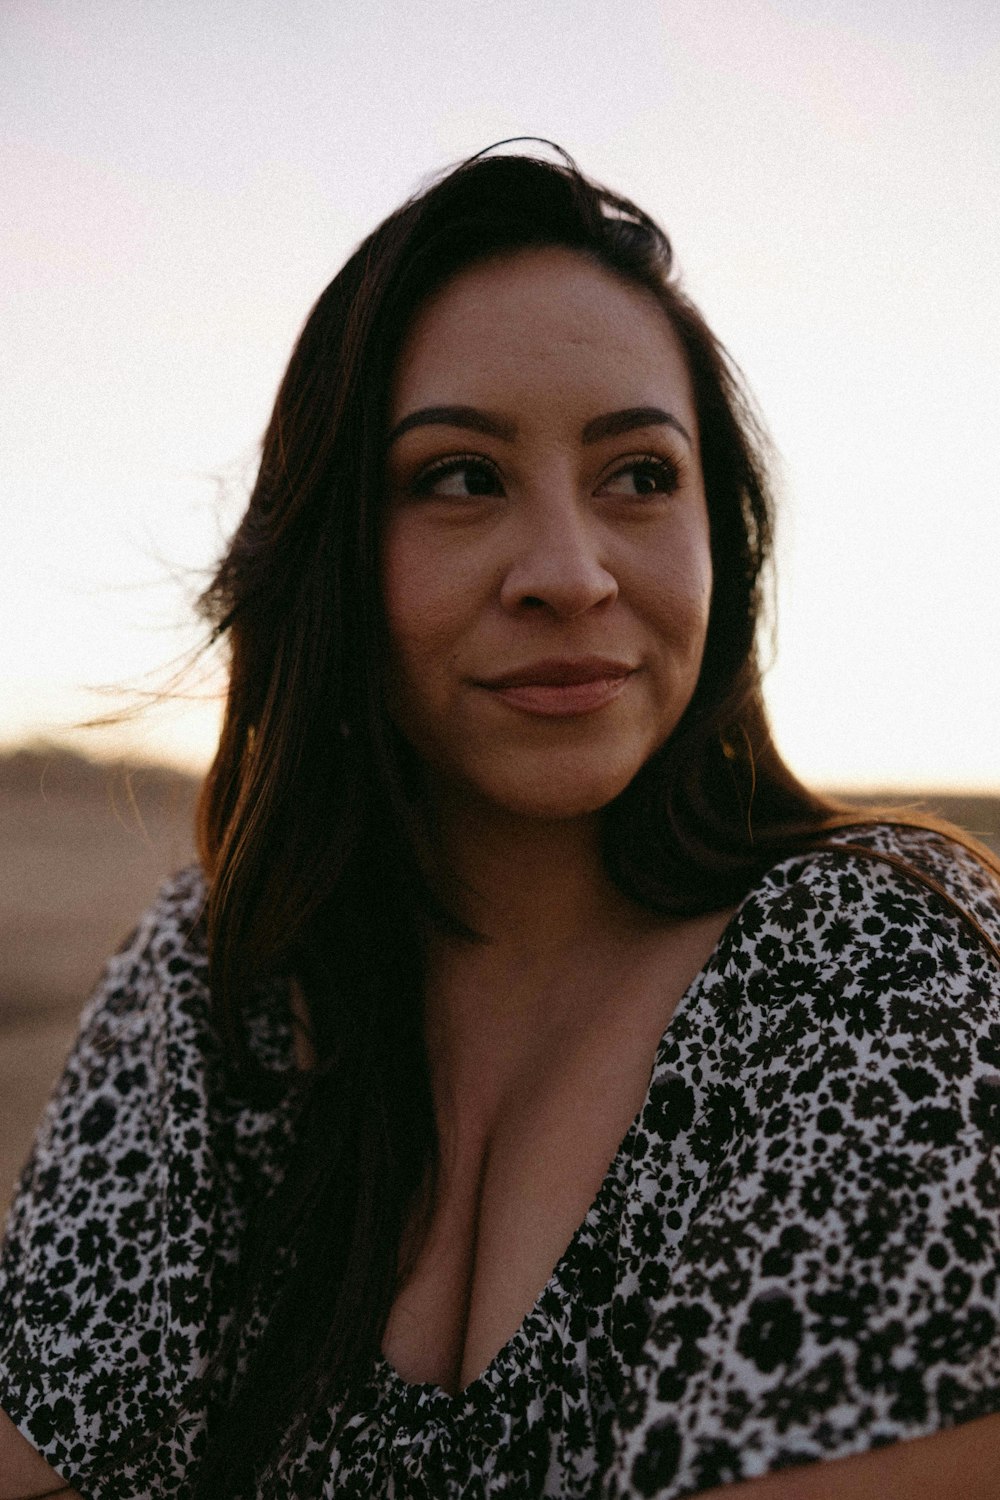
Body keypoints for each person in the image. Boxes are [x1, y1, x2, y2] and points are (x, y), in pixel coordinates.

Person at [1, 143, 999, 1500]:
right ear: (336, 554)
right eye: (461, 478)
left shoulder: (867, 965)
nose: (568, 574)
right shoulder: (219, 985)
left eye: (640, 475)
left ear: (728, 540)